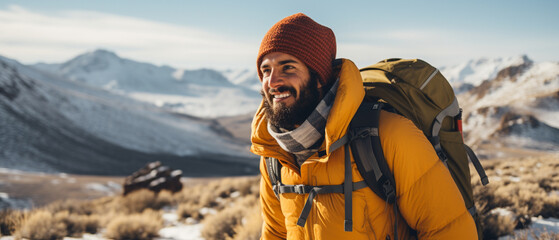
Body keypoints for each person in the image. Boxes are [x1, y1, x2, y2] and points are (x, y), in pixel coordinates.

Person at [250, 13, 478, 240]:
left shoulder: (389, 135)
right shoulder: (274, 154)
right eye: (266, 70)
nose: (272, 82)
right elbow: (275, 234)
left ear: (318, 77)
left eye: (288, 67)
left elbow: (450, 231)